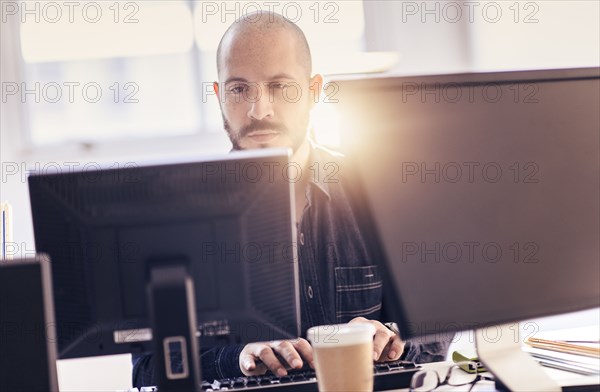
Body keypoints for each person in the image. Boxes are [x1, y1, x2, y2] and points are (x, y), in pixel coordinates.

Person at [132, 11, 449, 387]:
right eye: (239, 89)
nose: (258, 110)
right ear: (218, 96)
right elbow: (148, 368)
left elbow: (438, 331)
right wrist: (237, 358)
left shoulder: (382, 190)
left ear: (313, 91)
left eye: (280, 87)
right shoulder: (177, 216)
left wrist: (393, 337)